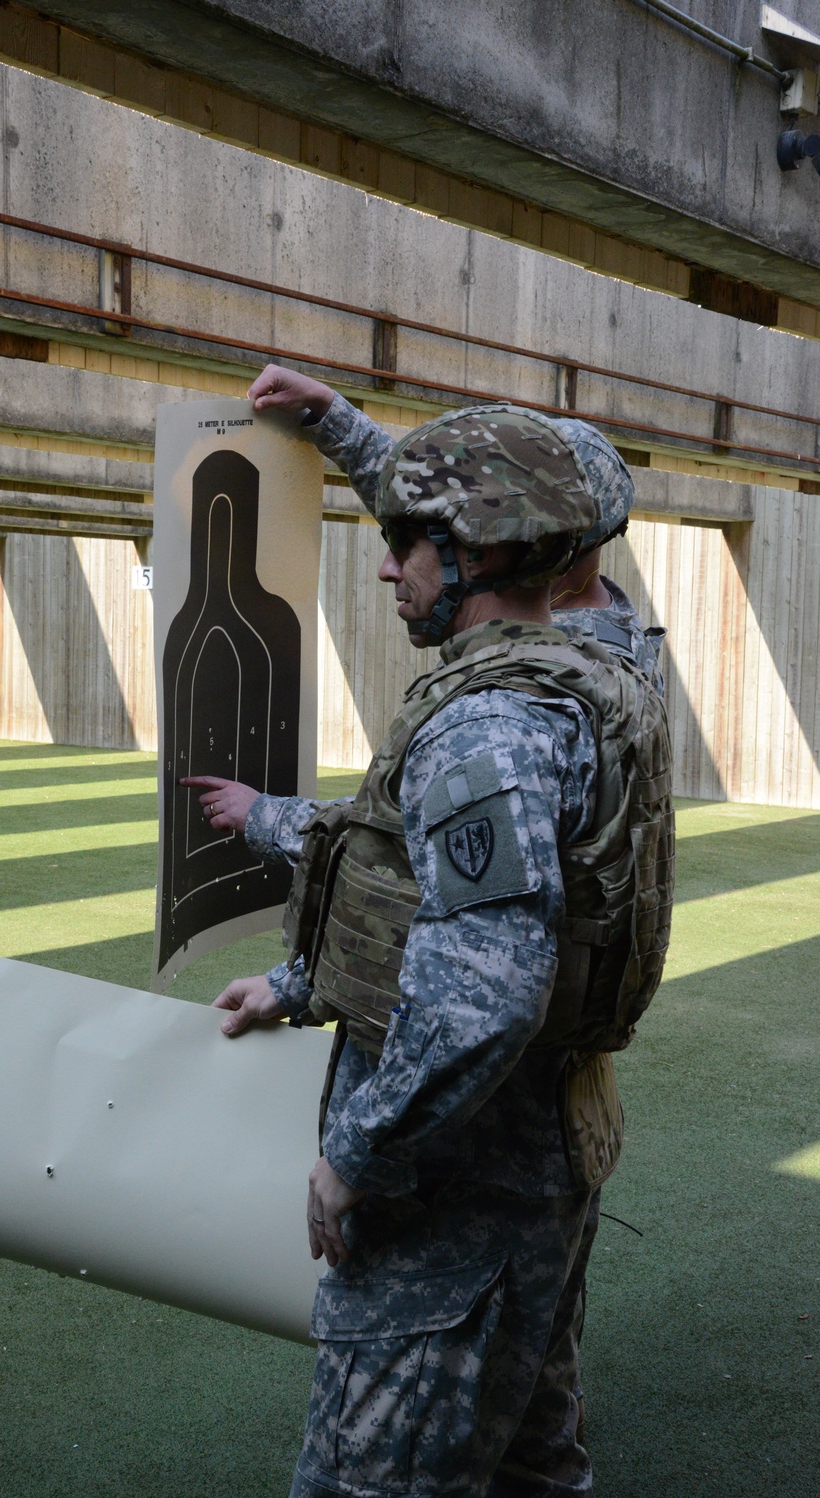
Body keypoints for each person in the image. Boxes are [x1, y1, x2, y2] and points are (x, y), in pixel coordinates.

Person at [206, 406, 674, 1496]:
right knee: (531, 1458)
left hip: (459, 1193)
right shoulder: (600, 659)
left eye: (410, 541)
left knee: (367, 1478)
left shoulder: (485, 726)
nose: (387, 566)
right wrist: (298, 983)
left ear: (492, 553)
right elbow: (421, 889)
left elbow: (481, 997)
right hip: (546, 1155)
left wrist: (356, 1154)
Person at [182, 364, 665, 866]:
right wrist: (327, 411)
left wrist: (266, 816)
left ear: (505, 538)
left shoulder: (528, 698)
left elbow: (419, 839)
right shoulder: (588, 649)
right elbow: (435, 525)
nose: (390, 568)